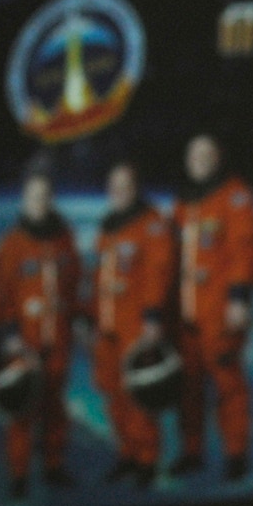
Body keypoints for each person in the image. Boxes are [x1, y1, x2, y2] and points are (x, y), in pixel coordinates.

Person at [172, 134, 253, 478]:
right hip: (185, 313)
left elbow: (243, 248)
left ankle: (236, 454)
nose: (201, 161)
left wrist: (238, 298)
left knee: (227, 382)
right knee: (189, 386)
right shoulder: (184, 204)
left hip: (218, 309)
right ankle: (192, 452)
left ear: (218, 157)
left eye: (207, 154)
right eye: (195, 155)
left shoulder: (234, 196)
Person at [0, 166, 82, 492]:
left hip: (57, 338)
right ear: (23, 201)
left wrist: (80, 318)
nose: (39, 203)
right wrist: (10, 335)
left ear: (51, 199)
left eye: (45, 197)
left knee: (55, 406)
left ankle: (53, 466)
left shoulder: (64, 239)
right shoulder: (11, 245)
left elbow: (74, 282)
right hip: (25, 341)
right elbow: (2, 294)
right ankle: (19, 475)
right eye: (33, 197)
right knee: (22, 408)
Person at [88, 162, 175, 487]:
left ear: (136, 188)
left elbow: (158, 271)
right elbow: (97, 278)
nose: (119, 193)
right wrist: (88, 316)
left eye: (125, 186)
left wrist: (152, 316)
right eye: (114, 187)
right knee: (113, 393)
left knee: (138, 394)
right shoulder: (107, 228)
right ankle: (126, 453)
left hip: (135, 325)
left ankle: (146, 460)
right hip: (107, 325)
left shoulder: (151, 224)